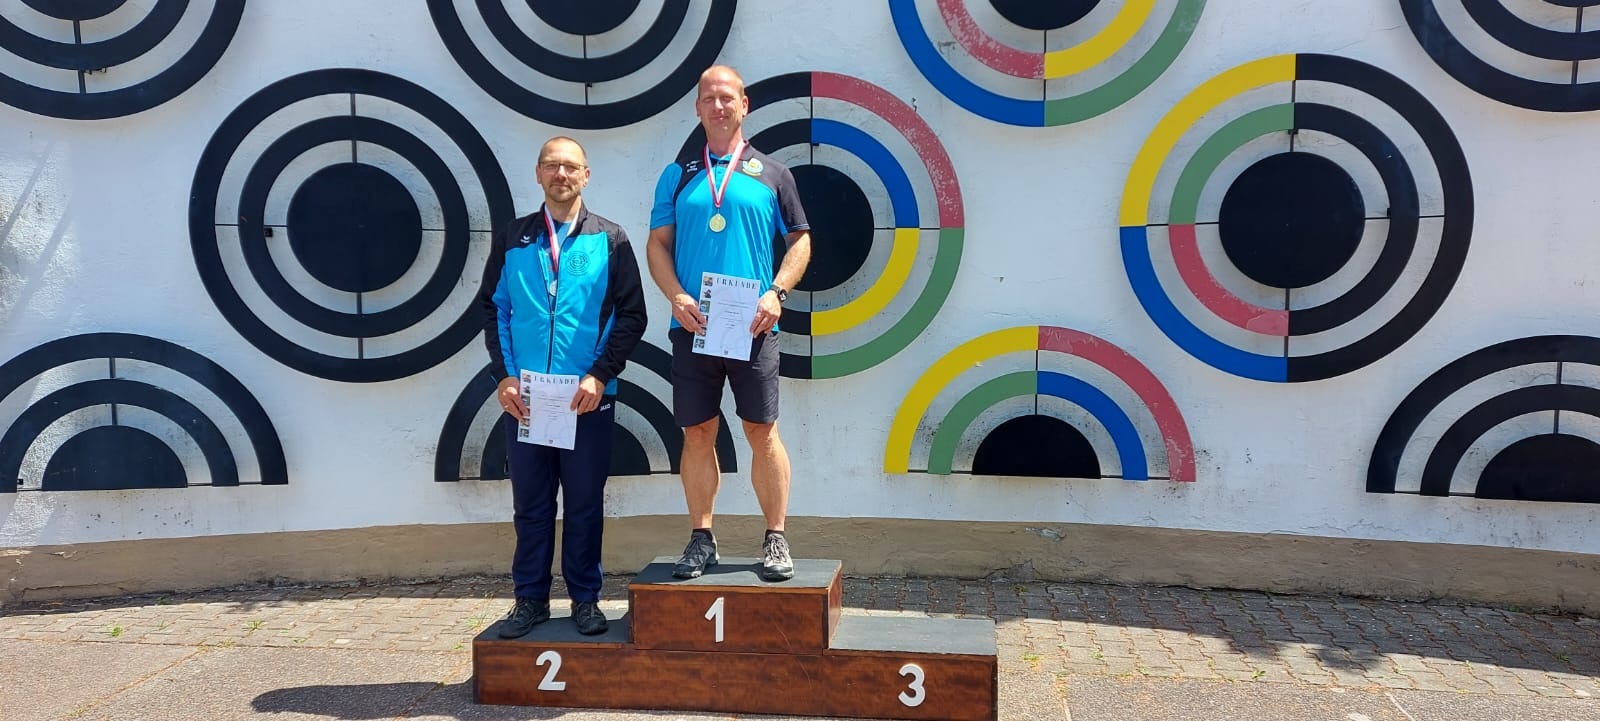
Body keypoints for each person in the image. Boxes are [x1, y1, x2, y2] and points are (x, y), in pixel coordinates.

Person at [645, 66, 812, 582]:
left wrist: (777, 293)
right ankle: (702, 537)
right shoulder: (677, 175)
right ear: (698, 108)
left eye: (726, 98)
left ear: (744, 105)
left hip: (753, 325)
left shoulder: (774, 173)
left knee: (762, 430)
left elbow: (801, 241)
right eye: (708, 99)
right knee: (698, 432)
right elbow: (658, 245)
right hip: (693, 324)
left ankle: (776, 536)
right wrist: (676, 295)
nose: (718, 107)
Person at [480, 136, 647, 637]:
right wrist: (505, 376)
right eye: (552, 166)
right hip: (527, 401)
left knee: (584, 506)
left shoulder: (611, 238)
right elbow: (494, 308)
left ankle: (585, 599)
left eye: (571, 167)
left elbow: (632, 315)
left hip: (585, 400)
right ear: (538, 173)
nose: (561, 175)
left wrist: (600, 374)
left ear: (586, 175)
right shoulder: (513, 238)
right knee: (531, 507)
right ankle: (529, 600)